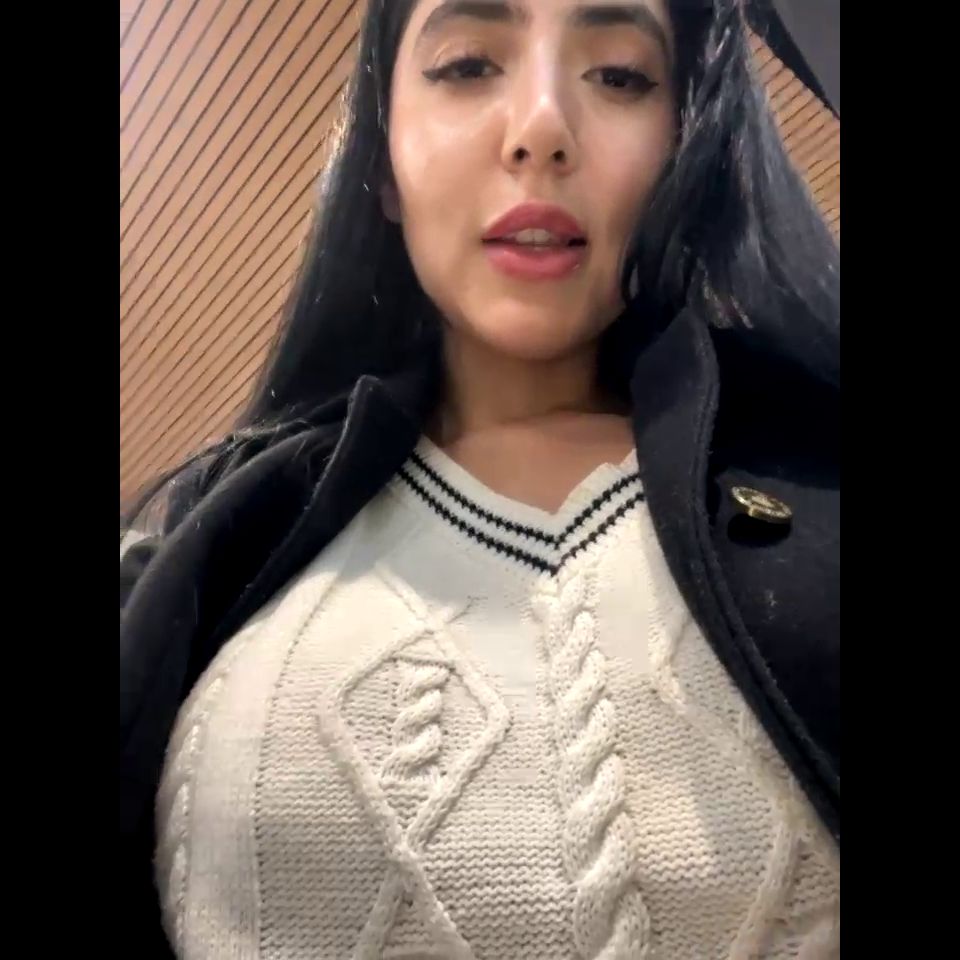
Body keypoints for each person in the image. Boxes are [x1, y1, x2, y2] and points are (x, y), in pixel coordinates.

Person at [120, 0, 840, 956]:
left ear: (684, 148)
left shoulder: (819, 482)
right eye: (466, 65)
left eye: (620, 75)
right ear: (383, 162)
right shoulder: (201, 550)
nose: (541, 125)